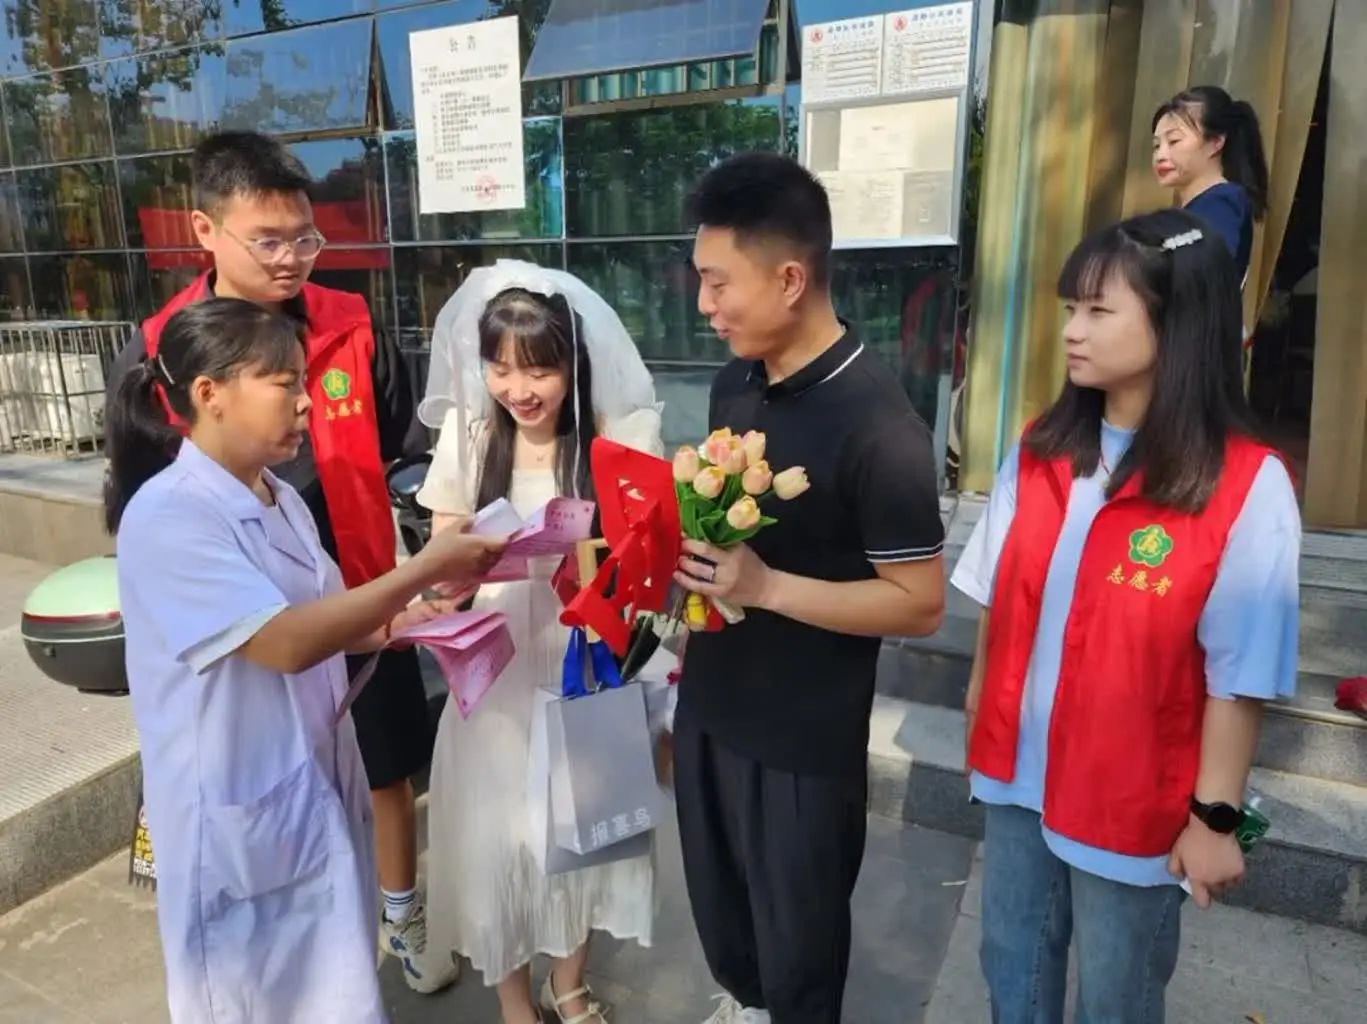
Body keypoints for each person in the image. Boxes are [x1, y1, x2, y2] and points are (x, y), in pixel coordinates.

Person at [104, 132, 454, 991]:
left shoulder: (349, 328)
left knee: (378, 774)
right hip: (248, 643)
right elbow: (159, 527)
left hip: (357, 598)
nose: (292, 258)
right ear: (205, 230)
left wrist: (411, 577)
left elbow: (405, 446)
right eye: (268, 240)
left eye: (305, 238)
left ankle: (400, 913)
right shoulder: (165, 358)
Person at [104, 298, 506, 1022]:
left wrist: (396, 624)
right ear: (210, 393)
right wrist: (421, 568)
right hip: (237, 818)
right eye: (285, 383)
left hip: (310, 793)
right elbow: (284, 642)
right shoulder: (170, 516)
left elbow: (324, 617)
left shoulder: (279, 497)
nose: (307, 401)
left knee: (336, 990)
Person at [952, 209, 1300, 1023]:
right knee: (1010, 965)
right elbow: (1000, 592)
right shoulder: (1042, 448)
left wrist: (1214, 818)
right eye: (1070, 308)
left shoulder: (1243, 485)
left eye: (1098, 311)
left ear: (1175, 323)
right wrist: (978, 702)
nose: (1072, 331)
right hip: (1017, 771)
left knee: (1115, 995)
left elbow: (1239, 676)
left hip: (1130, 794)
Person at [671, 153, 947, 1024]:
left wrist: (767, 586)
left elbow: (920, 603)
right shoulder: (735, 384)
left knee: (799, 959)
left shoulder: (880, 427)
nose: (704, 305)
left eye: (718, 283)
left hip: (801, 743)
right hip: (711, 706)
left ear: (790, 279)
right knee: (725, 930)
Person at [415, 260, 663, 1024]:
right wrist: (456, 569)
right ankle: (514, 998)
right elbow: (439, 554)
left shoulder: (610, 442)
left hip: (579, 656)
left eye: (539, 370)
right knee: (500, 836)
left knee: (578, 824)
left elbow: (643, 556)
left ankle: (570, 981)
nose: (518, 389)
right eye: (500, 369)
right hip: (496, 665)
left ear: (572, 366)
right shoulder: (470, 437)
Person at [1152, 85, 1269, 284]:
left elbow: (1205, 271)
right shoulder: (1205, 206)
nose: (1160, 155)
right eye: (1156, 145)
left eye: (1174, 141)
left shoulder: (1222, 202)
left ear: (1215, 142)